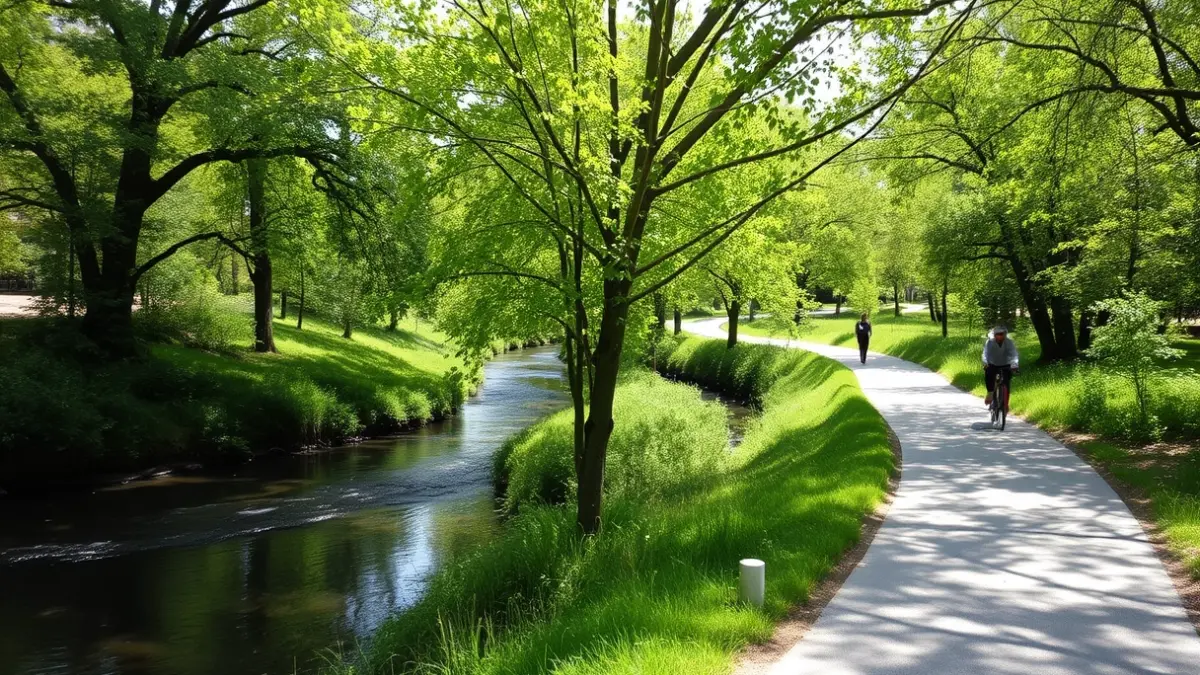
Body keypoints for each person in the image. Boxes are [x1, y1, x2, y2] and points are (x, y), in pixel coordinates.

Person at [982, 325, 1019, 407]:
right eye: (998, 334)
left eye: (1002, 334)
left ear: (1005, 334)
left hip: (1006, 364)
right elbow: (985, 354)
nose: (1000, 336)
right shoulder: (990, 342)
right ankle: (990, 393)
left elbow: (1014, 354)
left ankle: (1005, 403)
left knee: (1006, 382)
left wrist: (1014, 364)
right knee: (989, 374)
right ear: (994, 335)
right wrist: (985, 363)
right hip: (992, 364)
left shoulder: (1009, 342)